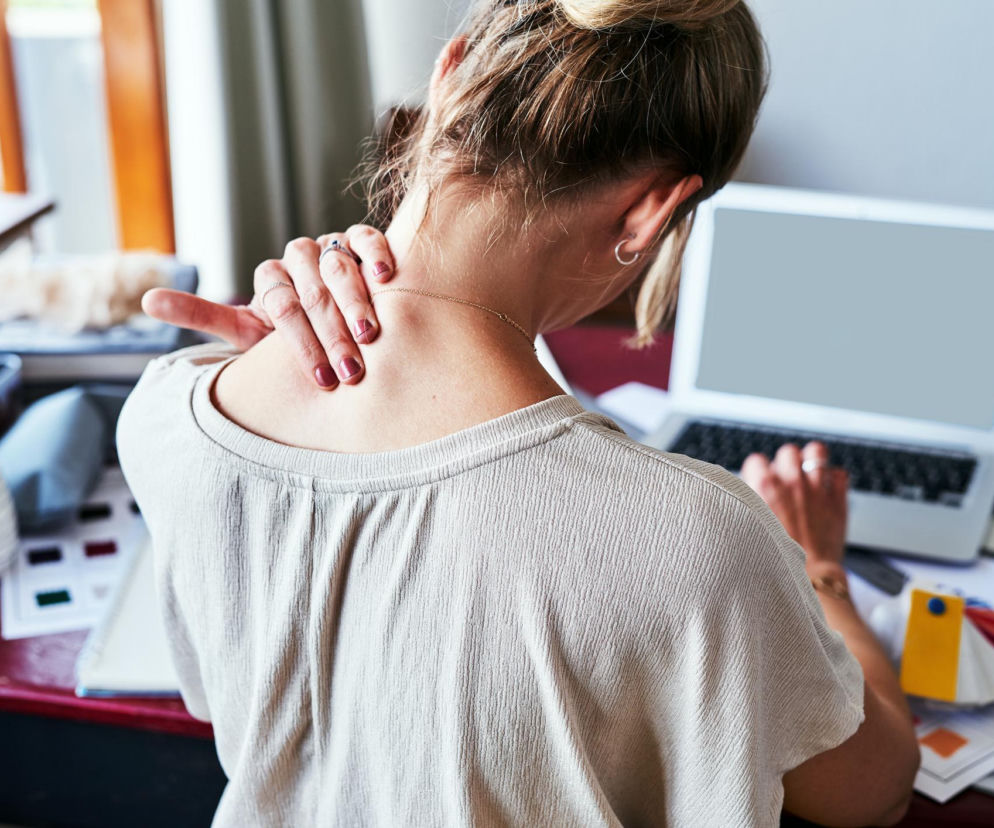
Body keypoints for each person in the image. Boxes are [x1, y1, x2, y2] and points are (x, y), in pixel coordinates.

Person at [119, 1, 920, 825]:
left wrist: (258, 357)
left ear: (446, 74)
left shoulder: (166, 417)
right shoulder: (704, 544)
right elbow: (874, 790)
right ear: (651, 211)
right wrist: (820, 571)